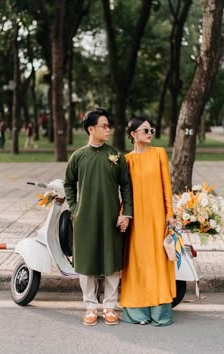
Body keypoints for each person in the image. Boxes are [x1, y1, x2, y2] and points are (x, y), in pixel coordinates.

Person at [64, 107, 133, 326]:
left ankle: (110, 306)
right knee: (87, 261)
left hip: (111, 217)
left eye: (108, 126)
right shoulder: (78, 157)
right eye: (103, 126)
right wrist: (75, 208)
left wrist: (127, 214)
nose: (108, 129)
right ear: (90, 128)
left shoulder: (115, 155)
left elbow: (126, 186)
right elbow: (68, 184)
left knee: (112, 262)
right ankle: (91, 306)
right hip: (85, 218)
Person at [120, 117, 176, 326]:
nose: (149, 133)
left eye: (151, 129)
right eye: (145, 130)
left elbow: (166, 186)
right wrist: (123, 214)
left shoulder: (159, 153)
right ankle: (137, 313)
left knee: (157, 263)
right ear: (133, 134)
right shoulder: (126, 160)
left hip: (157, 217)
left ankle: (160, 313)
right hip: (136, 219)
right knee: (137, 263)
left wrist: (170, 214)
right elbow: (124, 192)